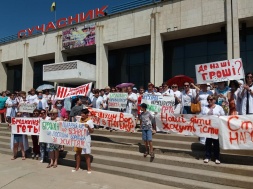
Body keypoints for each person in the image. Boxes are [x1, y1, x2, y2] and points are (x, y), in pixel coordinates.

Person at [200, 95, 225, 164]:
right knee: (208, 142)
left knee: (216, 143)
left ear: (214, 100)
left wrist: (219, 117)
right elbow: (202, 116)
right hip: (208, 128)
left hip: (216, 127)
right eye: (208, 99)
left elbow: (223, 115)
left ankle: (217, 157)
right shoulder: (205, 108)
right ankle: (207, 156)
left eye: (211, 99)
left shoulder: (218, 107)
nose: (209, 101)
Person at [72, 109, 94, 173]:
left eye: (83, 113)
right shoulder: (78, 120)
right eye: (81, 113)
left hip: (86, 139)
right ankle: (77, 167)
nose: (82, 115)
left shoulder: (90, 121)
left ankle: (89, 168)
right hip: (78, 139)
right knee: (78, 153)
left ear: (87, 114)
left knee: (86, 154)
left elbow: (92, 131)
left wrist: (88, 127)